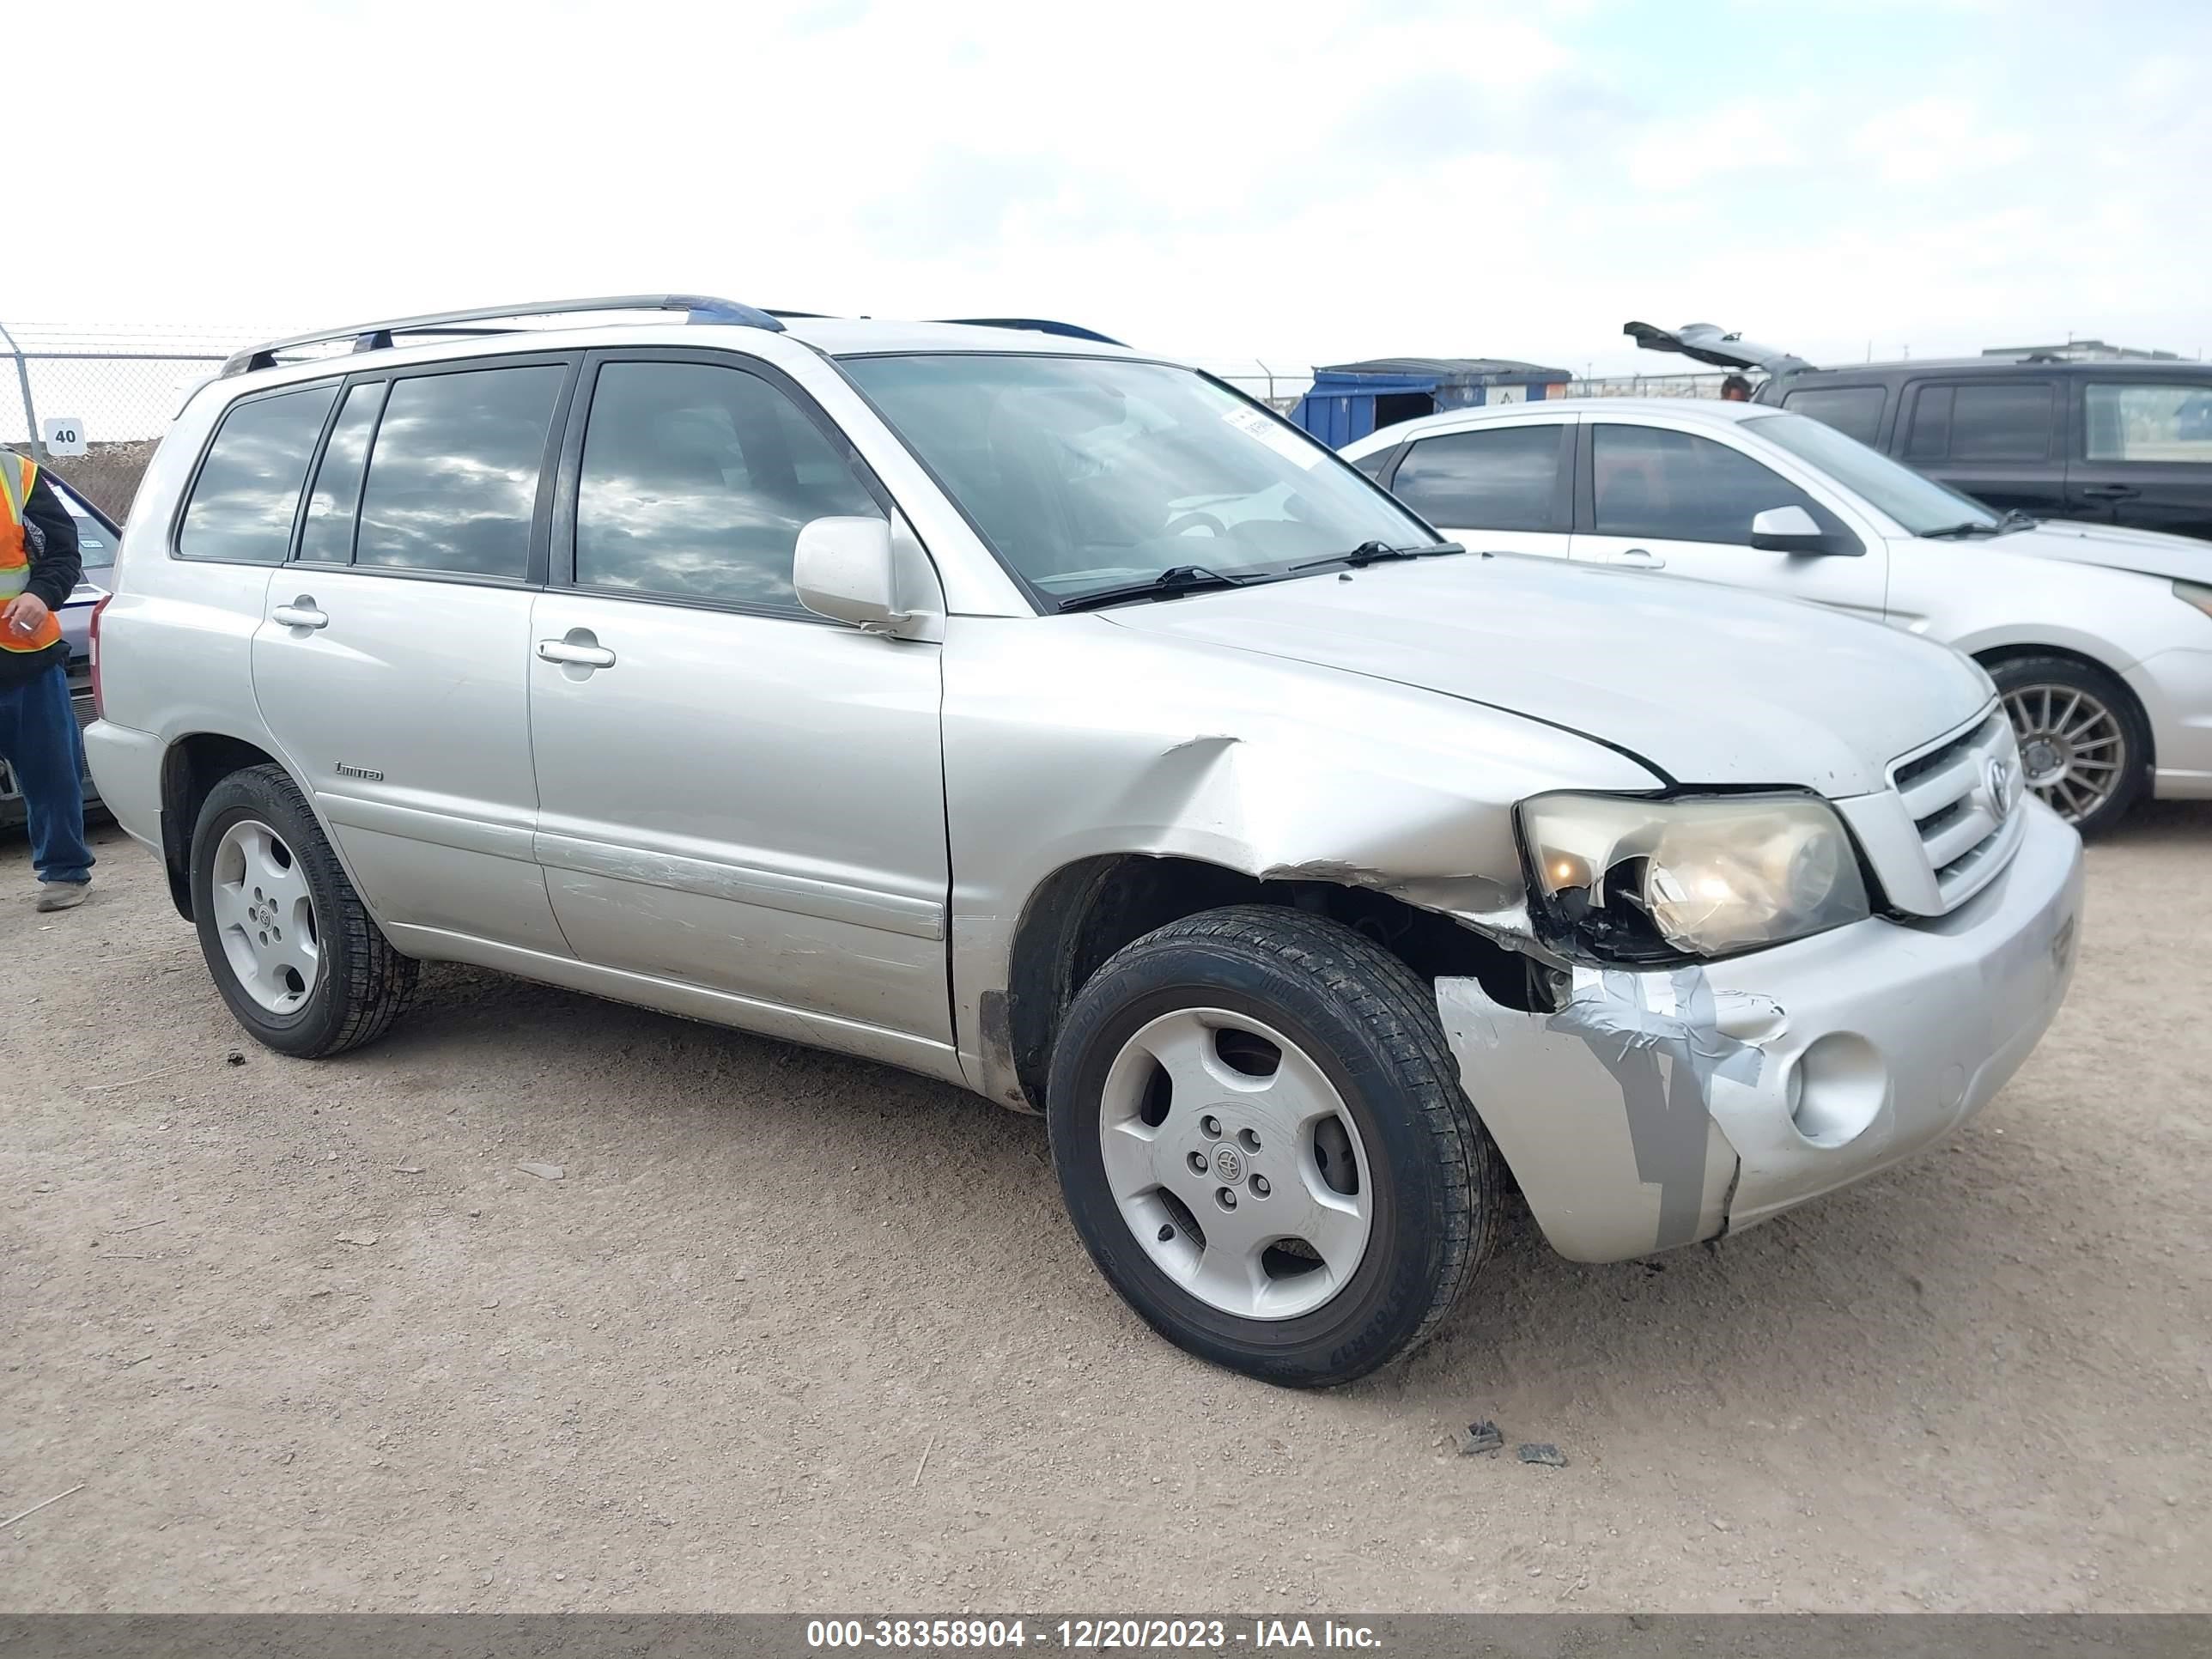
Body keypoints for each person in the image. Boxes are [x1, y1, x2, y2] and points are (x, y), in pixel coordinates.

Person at [0, 447, 93, 910]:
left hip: (24, 655)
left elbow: (63, 551)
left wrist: (42, 594)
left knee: (52, 770)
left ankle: (65, 872)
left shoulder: (15, 473)